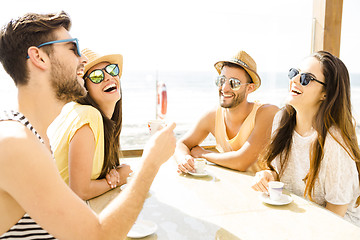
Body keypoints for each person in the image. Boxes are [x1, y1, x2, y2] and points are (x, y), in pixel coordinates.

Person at [0, 11, 176, 239]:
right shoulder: (15, 143)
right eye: (73, 49)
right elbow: (97, 236)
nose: (83, 59)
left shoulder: (35, 137)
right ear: (39, 57)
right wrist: (150, 163)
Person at [251, 51, 360, 226]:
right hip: (300, 218)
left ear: (325, 93)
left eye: (306, 78)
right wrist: (268, 175)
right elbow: (285, 174)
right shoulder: (281, 120)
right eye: (295, 73)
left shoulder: (334, 141)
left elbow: (335, 215)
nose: (294, 80)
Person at [174, 50, 279, 173]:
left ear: (250, 88)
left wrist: (203, 154)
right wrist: (184, 159)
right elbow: (182, 144)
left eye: (234, 83)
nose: (225, 88)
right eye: (222, 80)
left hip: (265, 190)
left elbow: (242, 161)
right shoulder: (212, 116)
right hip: (232, 186)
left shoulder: (267, 113)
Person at [47, 49, 132, 200]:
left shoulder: (88, 115)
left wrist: (111, 173)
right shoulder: (88, 115)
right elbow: (79, 191)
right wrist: (118, 178)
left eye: (112, 70)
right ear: (84, 88)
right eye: (96, 76)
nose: (108, 77)